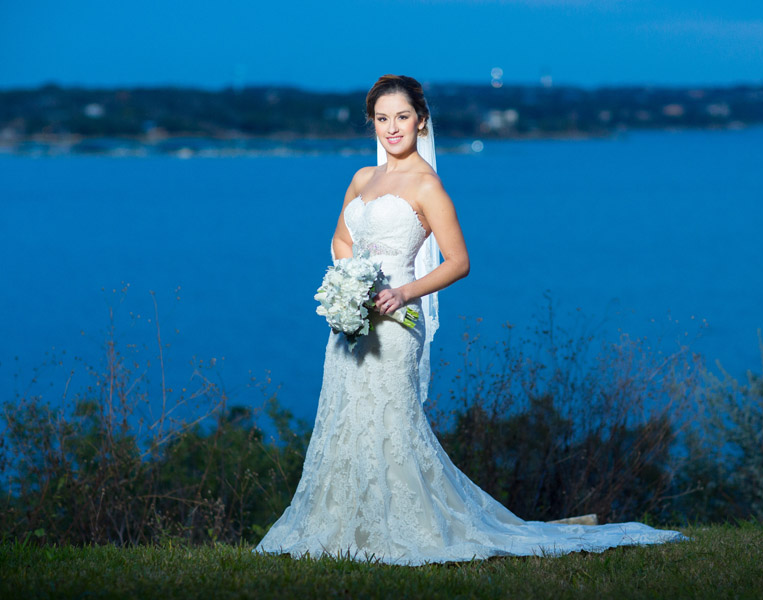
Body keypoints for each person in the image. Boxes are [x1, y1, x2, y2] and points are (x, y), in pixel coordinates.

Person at [252, 74, 686, 566]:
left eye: (402, 117)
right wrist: (348, 285)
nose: (392, 128)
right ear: (370, 123)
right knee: (345, 421)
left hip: (396, 324)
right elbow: (342, 240)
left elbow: (458, 261)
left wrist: (401, 292)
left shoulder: (427, 185)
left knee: (391, 424)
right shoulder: (360, 179)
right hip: (350, 325)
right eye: (382, 119)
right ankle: (342, 527)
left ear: (421, 121)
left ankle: (406, 528)